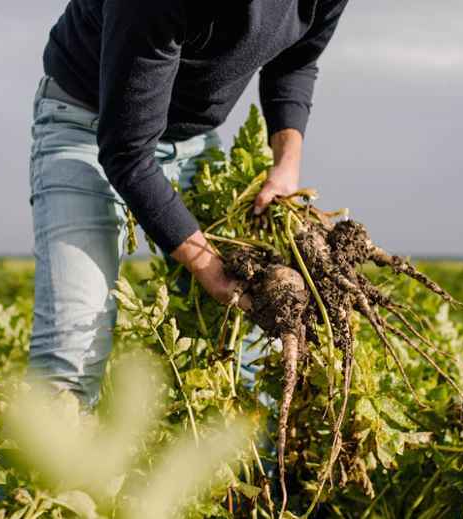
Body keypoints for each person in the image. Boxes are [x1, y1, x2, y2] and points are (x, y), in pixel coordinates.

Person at [29, 0, 349, 406]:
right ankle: (53, 465)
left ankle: (250, 467)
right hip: (85, 127)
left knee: (247, 344)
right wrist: (208, 267)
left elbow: (297, 59)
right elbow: (127, 154)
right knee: (71, 352)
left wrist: (286, 164)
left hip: (192, 143)